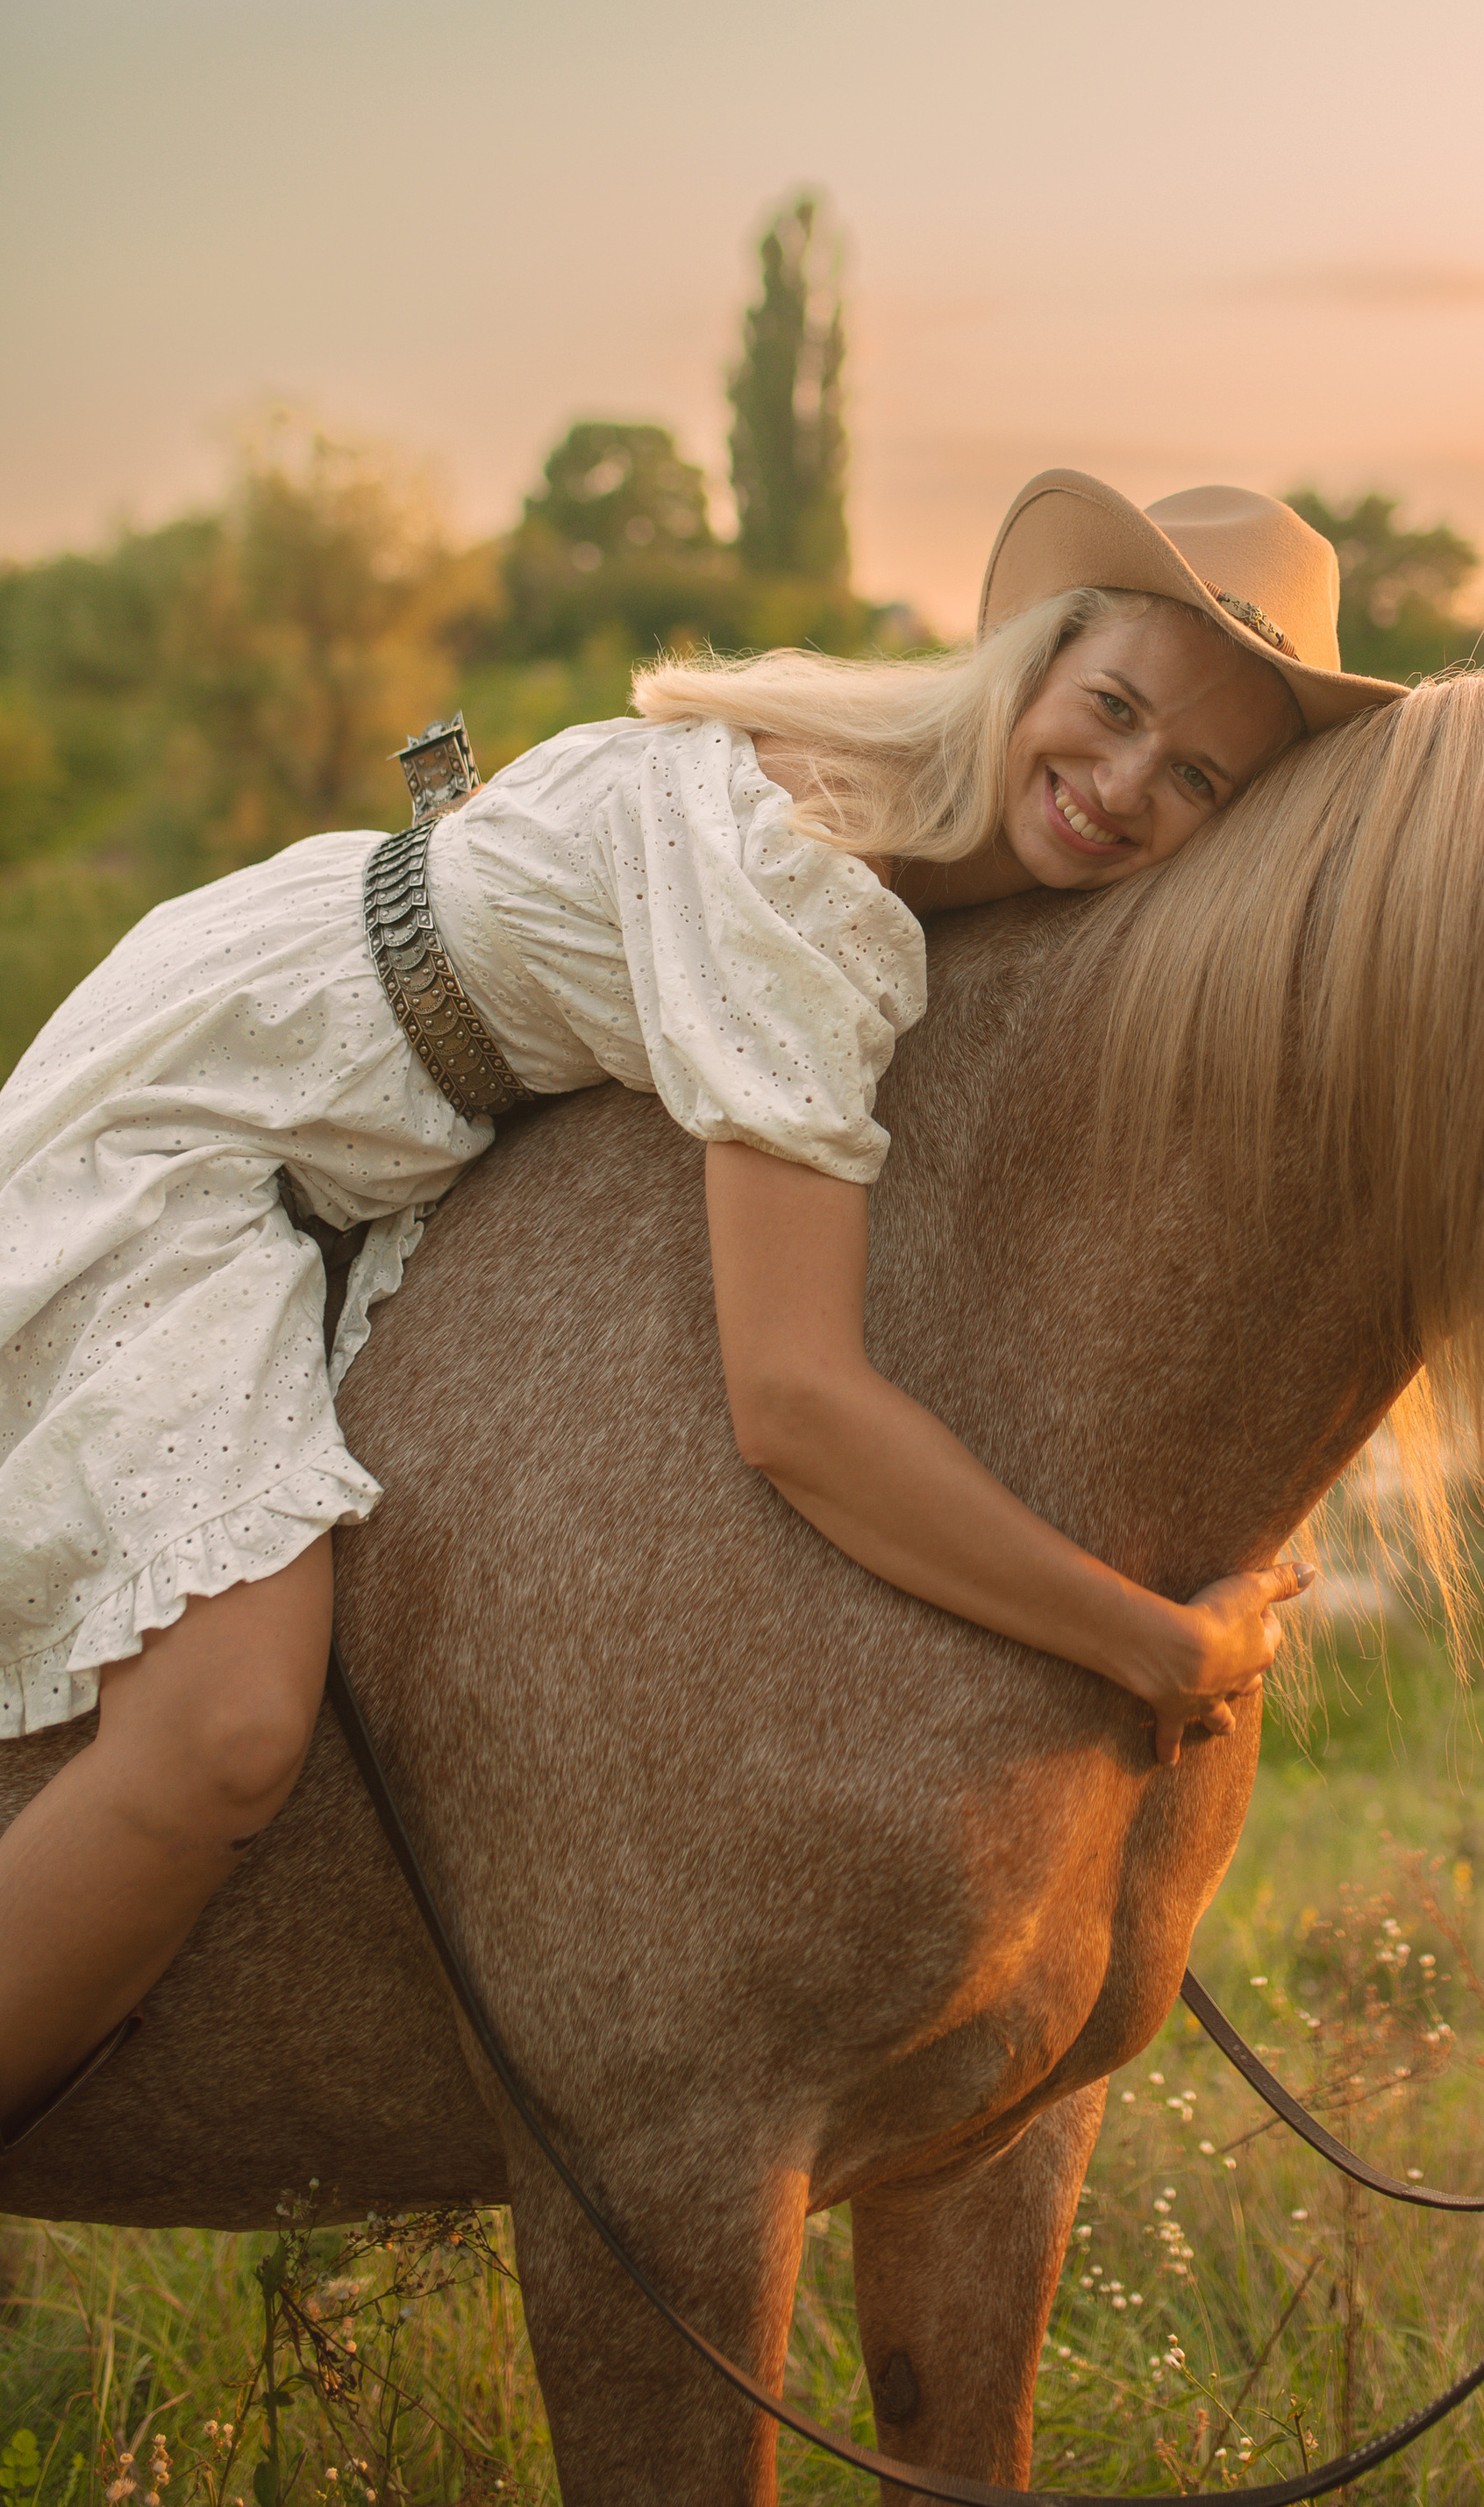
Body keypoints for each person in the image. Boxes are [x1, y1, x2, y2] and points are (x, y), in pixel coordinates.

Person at [0, 469, 1401, 2146]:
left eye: (1194, 777)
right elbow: (795, 1406)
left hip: (313, 1026)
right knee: (223, 1732)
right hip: (217, 1104)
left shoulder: (926, 817)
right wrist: (1148, 1639)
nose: (1117, 787)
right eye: (1110, 710)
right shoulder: (805, 887)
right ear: (1037, 659)